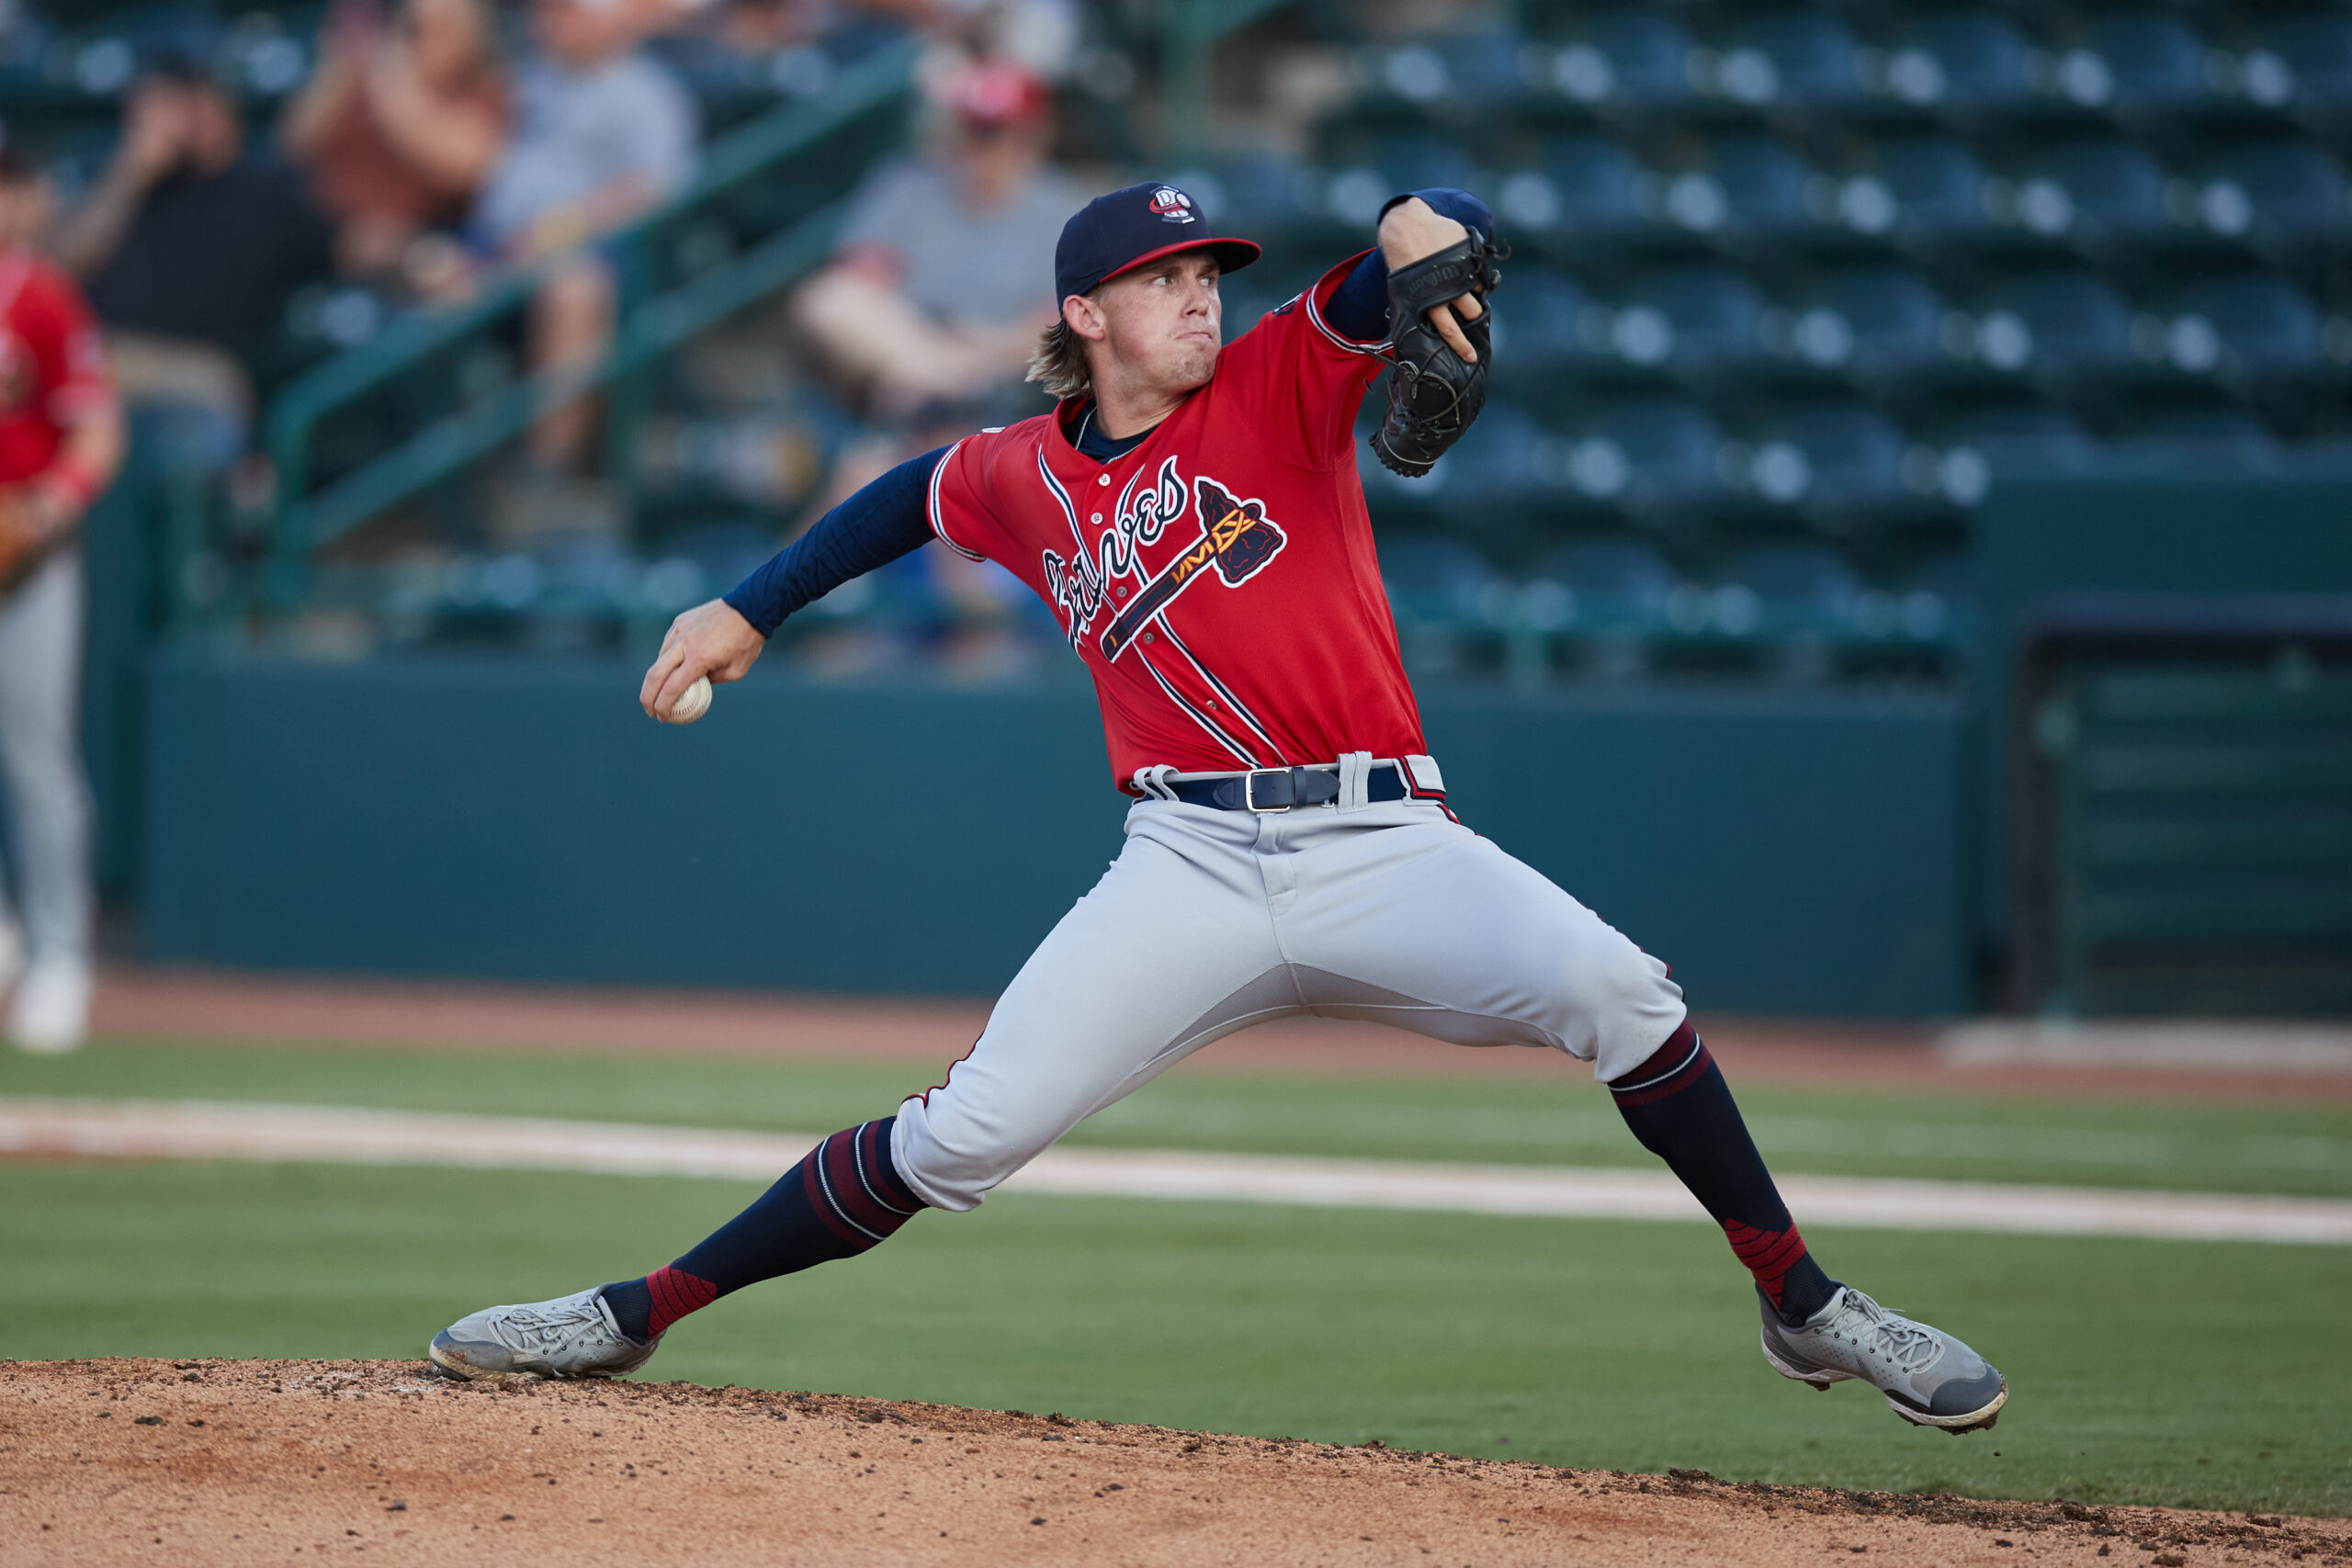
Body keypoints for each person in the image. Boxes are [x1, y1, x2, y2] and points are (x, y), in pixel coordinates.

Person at [429, 180, 2008, 1438]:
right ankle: (636, 1310)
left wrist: (1432, 234)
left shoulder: (1279, 377)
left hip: (1383, 840)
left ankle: (1801, 1297)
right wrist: (748, 607)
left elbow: (1407, 244)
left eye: (1212, 273)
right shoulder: (1025, 475)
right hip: (1184, 859)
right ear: (1087, 312)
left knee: (1624, 991)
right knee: (967, 1130)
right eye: (1173, 277)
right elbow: (906, 494)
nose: (1205, 295)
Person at [51, 58, 335, 468]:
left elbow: (348, 242)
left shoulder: (266, 193)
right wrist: (132, 171)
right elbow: (58, 271)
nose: (151, 125)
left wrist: (415, 258)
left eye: (166, 107)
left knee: (212, 397)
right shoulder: (133, 186)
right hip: (96, 357)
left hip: (186, 379)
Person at [0, 139, 126, 1053]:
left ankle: (61, 956)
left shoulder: (38, 297)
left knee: (36, 754)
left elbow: (96, 430)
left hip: (28, 558)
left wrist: (46, 508)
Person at [469, 0, 698, 472]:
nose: (547, 21)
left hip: (581, 249)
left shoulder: (645, 90)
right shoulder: (528, 78)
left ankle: (546, 467)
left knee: (575, 290)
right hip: (487, 241)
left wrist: (554, 232)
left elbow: (653, 192)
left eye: (565, 12)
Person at [792, 56, 1080, 424]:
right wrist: (928, 353)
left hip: (998, 357)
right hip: (906, 342)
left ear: (1035, 133)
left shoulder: (1063, 209)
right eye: (978, 130)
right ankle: (935, 383)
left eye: (1002, 131)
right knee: (830, 297)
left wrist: (985, 344)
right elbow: (859, 282)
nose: (987, 146)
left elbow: (1059, 320)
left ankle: (931, 388)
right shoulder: (909, 184)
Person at [279, 0, 507, 286]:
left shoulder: (481, 89)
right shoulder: (364, 77)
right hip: (324, 230)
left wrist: (396, 88)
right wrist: (338, 67)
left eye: (443, 27)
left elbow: (468, 169)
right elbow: (295, 144)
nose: (426, 38)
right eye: (415, 28)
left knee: (439, 267)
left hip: (426, 240)